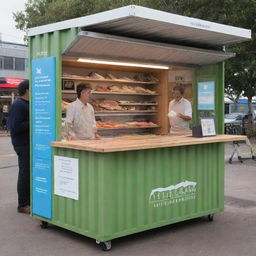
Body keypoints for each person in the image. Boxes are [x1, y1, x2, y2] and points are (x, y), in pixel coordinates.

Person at [8, 80, 30, 214]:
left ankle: (29, 201)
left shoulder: (27, 104)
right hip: (22, 144)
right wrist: (34, 120)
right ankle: (22, 205)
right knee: (25, 173)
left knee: (29, 173)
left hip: (29, 143)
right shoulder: (18, 105)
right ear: (27, 90)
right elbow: (15, 127)